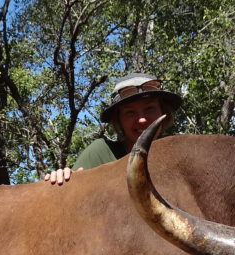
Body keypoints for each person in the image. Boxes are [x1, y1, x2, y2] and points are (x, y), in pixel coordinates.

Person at [43, 73, 183, 185]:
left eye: (150, 108)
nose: (142, 119)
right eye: (130, 113)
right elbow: (71, 196)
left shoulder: (179, 153)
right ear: (119, 121)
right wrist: (62, 180)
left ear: (163, 112)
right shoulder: (102, 153)